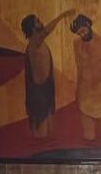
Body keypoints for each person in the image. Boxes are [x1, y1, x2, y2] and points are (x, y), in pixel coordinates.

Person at [20, 9, 74, 138]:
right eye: (37, 21)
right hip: (38, 93)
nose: (41, 22)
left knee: (49, 131)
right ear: (33, 28)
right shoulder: (34, 42)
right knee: (41, 130)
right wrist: (63, 15)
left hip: (45, 90)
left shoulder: (39, 42)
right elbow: (48, 30)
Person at [70, 14, 101, 141]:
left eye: (83, 31)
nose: (82, 35)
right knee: (88, 136)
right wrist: (77, 94)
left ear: (88, 25)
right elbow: (79, 70)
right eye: (79, 33)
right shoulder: (76, 45)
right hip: (86, 94)